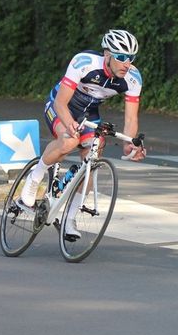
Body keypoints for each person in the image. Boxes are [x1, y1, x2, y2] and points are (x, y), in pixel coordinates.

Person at [17, 29, 147, 239]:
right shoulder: (85, 62)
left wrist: (129, 144)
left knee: (92, 159)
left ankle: (69, 218)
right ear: (107, 54)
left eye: (131, 58)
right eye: (121, 57)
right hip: (61, 105)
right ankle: (34, 180)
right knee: (69, 142)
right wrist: (69, 124)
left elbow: (131, 119)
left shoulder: (133, 78)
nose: (127, 63)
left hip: (89, 114)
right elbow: (60, 102)